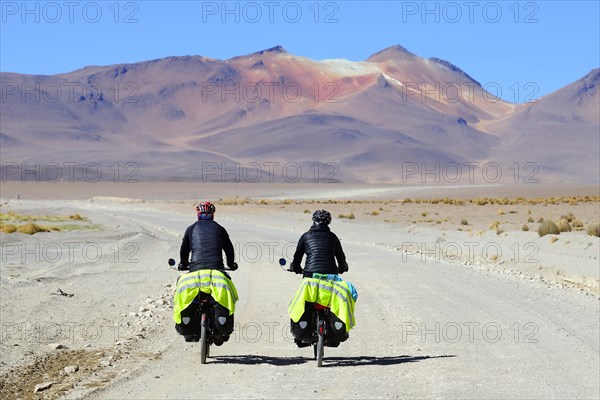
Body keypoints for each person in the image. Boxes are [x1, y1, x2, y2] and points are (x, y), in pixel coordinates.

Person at [178, 201, 237, 272]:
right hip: (217, 267)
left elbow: (184, 250)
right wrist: (231, 264)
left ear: (198, 214)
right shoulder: (220, 229)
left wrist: (183, 264)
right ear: (212, 214)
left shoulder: (191, 229)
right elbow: (229, 249)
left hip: (195, 268)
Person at [290, 209, 348, 277]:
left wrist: (296, 268)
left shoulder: (305, 236)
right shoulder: (333, 237)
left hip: (310, 273)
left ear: (314, 220)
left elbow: (297, 256)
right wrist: (343, 268)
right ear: (329, 222)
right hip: (331, 273)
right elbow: (340, 256)